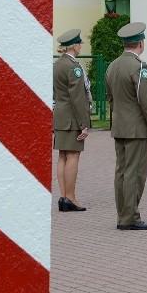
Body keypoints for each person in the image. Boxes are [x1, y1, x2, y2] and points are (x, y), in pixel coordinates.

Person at [105, 22, 147, 230]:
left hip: (120, 125)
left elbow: (110, 97)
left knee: (121, 172)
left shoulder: (113, 66)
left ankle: (123, 215)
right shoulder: (140, 67)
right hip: (137, 128)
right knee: (135, 173)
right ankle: (130, 217)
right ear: (140, 42)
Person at [52, 28, 92, 212]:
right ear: (75, 46)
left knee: (62, 156)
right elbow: (77, 97)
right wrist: (84, 124)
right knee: (73, 156)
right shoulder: (74, 67)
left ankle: (63, 196)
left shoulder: (58, 64)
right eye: (79, 44)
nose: (80, 47)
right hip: (72, 117)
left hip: (60, 115)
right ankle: (71, 197)